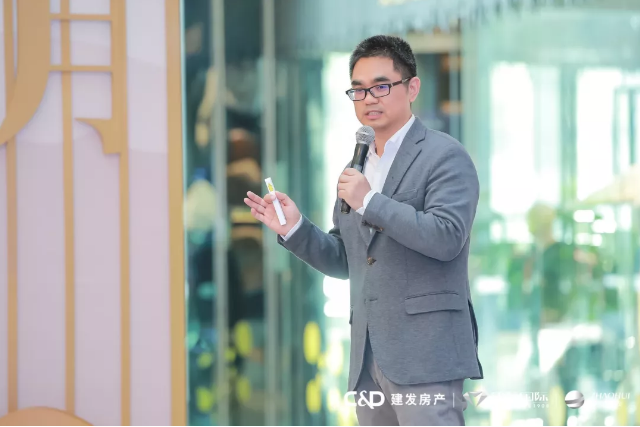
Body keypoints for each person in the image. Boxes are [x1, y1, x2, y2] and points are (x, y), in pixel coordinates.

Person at [244, 35, 483, 426]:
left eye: (381, 86)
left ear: (412, 88)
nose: (368, 98)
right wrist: (295, 228)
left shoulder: (445, 156)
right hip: (368, 357)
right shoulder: (357, 165)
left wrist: (370, 201)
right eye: (358, 89)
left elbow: (446, 237)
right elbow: (347, 259)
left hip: (426, 354)